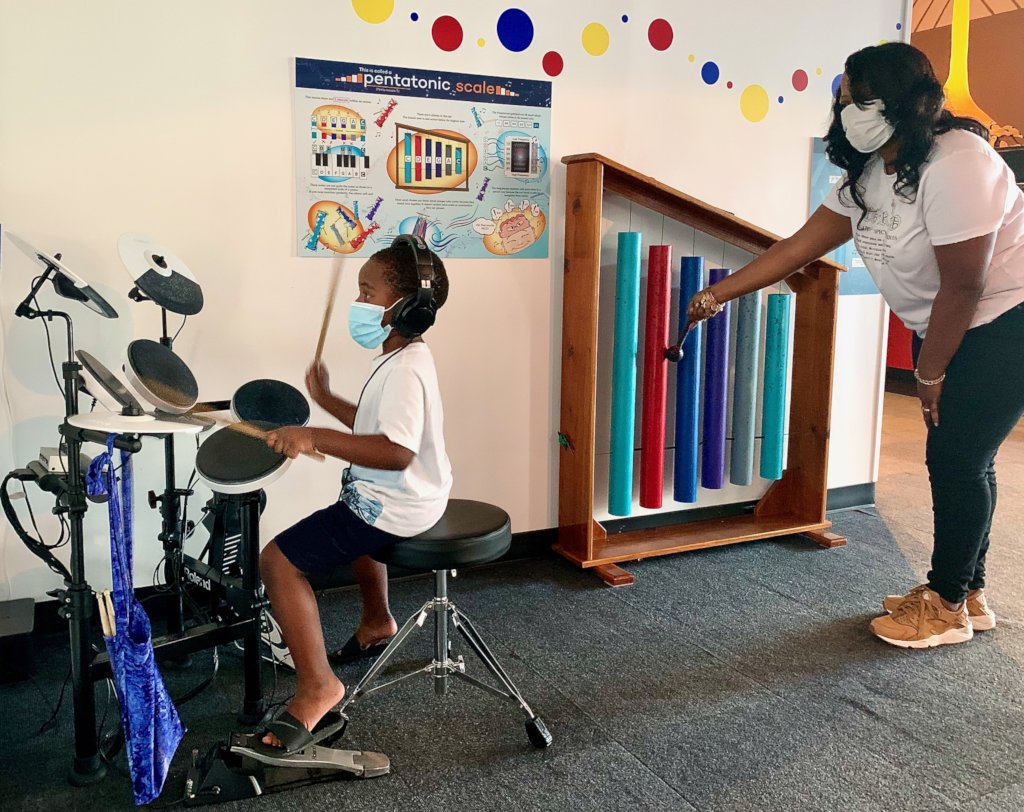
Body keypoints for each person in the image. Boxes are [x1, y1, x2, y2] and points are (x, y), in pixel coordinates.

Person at [684, 42, 1024, 649]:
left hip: (1005, 322)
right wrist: (720, 293)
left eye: (860, 100)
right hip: (953, 324)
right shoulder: (872, 172)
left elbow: (966, 282)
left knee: (955, 462)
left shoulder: (959, 161)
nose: (848, 113)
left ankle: (945, 604)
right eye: (842, 102)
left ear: (904, 102)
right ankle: (966, 592)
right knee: (967, 458)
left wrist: (928, 371)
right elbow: (798, 246)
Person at [257, 237, 453, 750]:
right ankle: (377, 620)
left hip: (397, 501)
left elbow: (394, 452)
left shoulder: (406, 370)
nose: (359, 305)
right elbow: (373, 428)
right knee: (348, 518)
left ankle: (318, 686)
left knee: (278, 562)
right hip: (403, 495)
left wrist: (313, 436)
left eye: (368, 293)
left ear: (406, 307)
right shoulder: (401, 356)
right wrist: (324, 401)